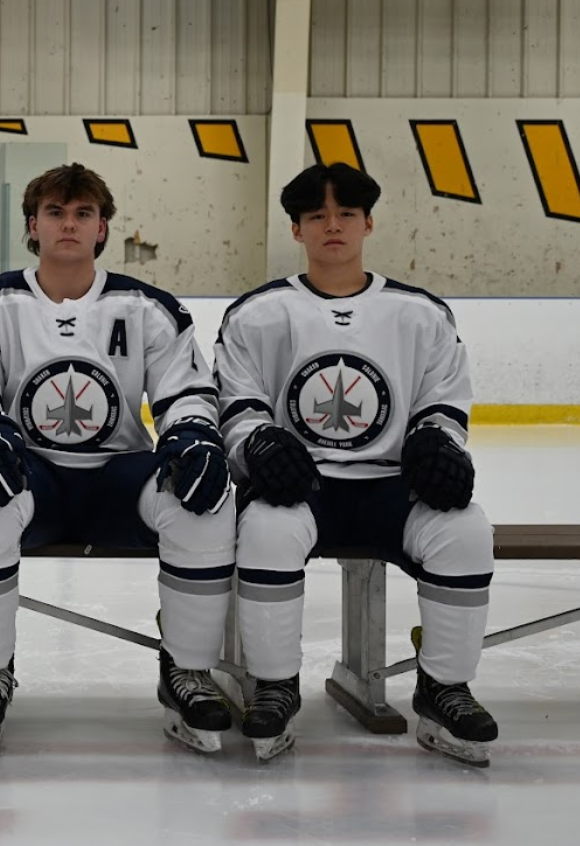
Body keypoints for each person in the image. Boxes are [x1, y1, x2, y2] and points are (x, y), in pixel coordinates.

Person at [0, 164, 236, 754]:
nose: (68, 225)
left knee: (202, 500)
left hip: (120, 474)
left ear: (102, 228)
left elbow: (186, 393)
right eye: (55, 212)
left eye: (82, 214)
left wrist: (194, 437)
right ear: (33, 224)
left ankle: (188, 670)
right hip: (30, 470)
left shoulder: (148, 307)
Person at [213, 162, 497, 766]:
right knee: (264, 530)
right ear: (297, 231)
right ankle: (274, 685)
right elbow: (238, 406)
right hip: (305, 491)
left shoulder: (419, 313)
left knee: (466, 530)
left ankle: (443, 686)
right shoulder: (259, 313)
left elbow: (443, 401)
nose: (332, 226)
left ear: (368, 222)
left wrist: (437, 443)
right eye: (317, 216)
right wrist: (261, 443)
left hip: (393, 489)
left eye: (345, 214)